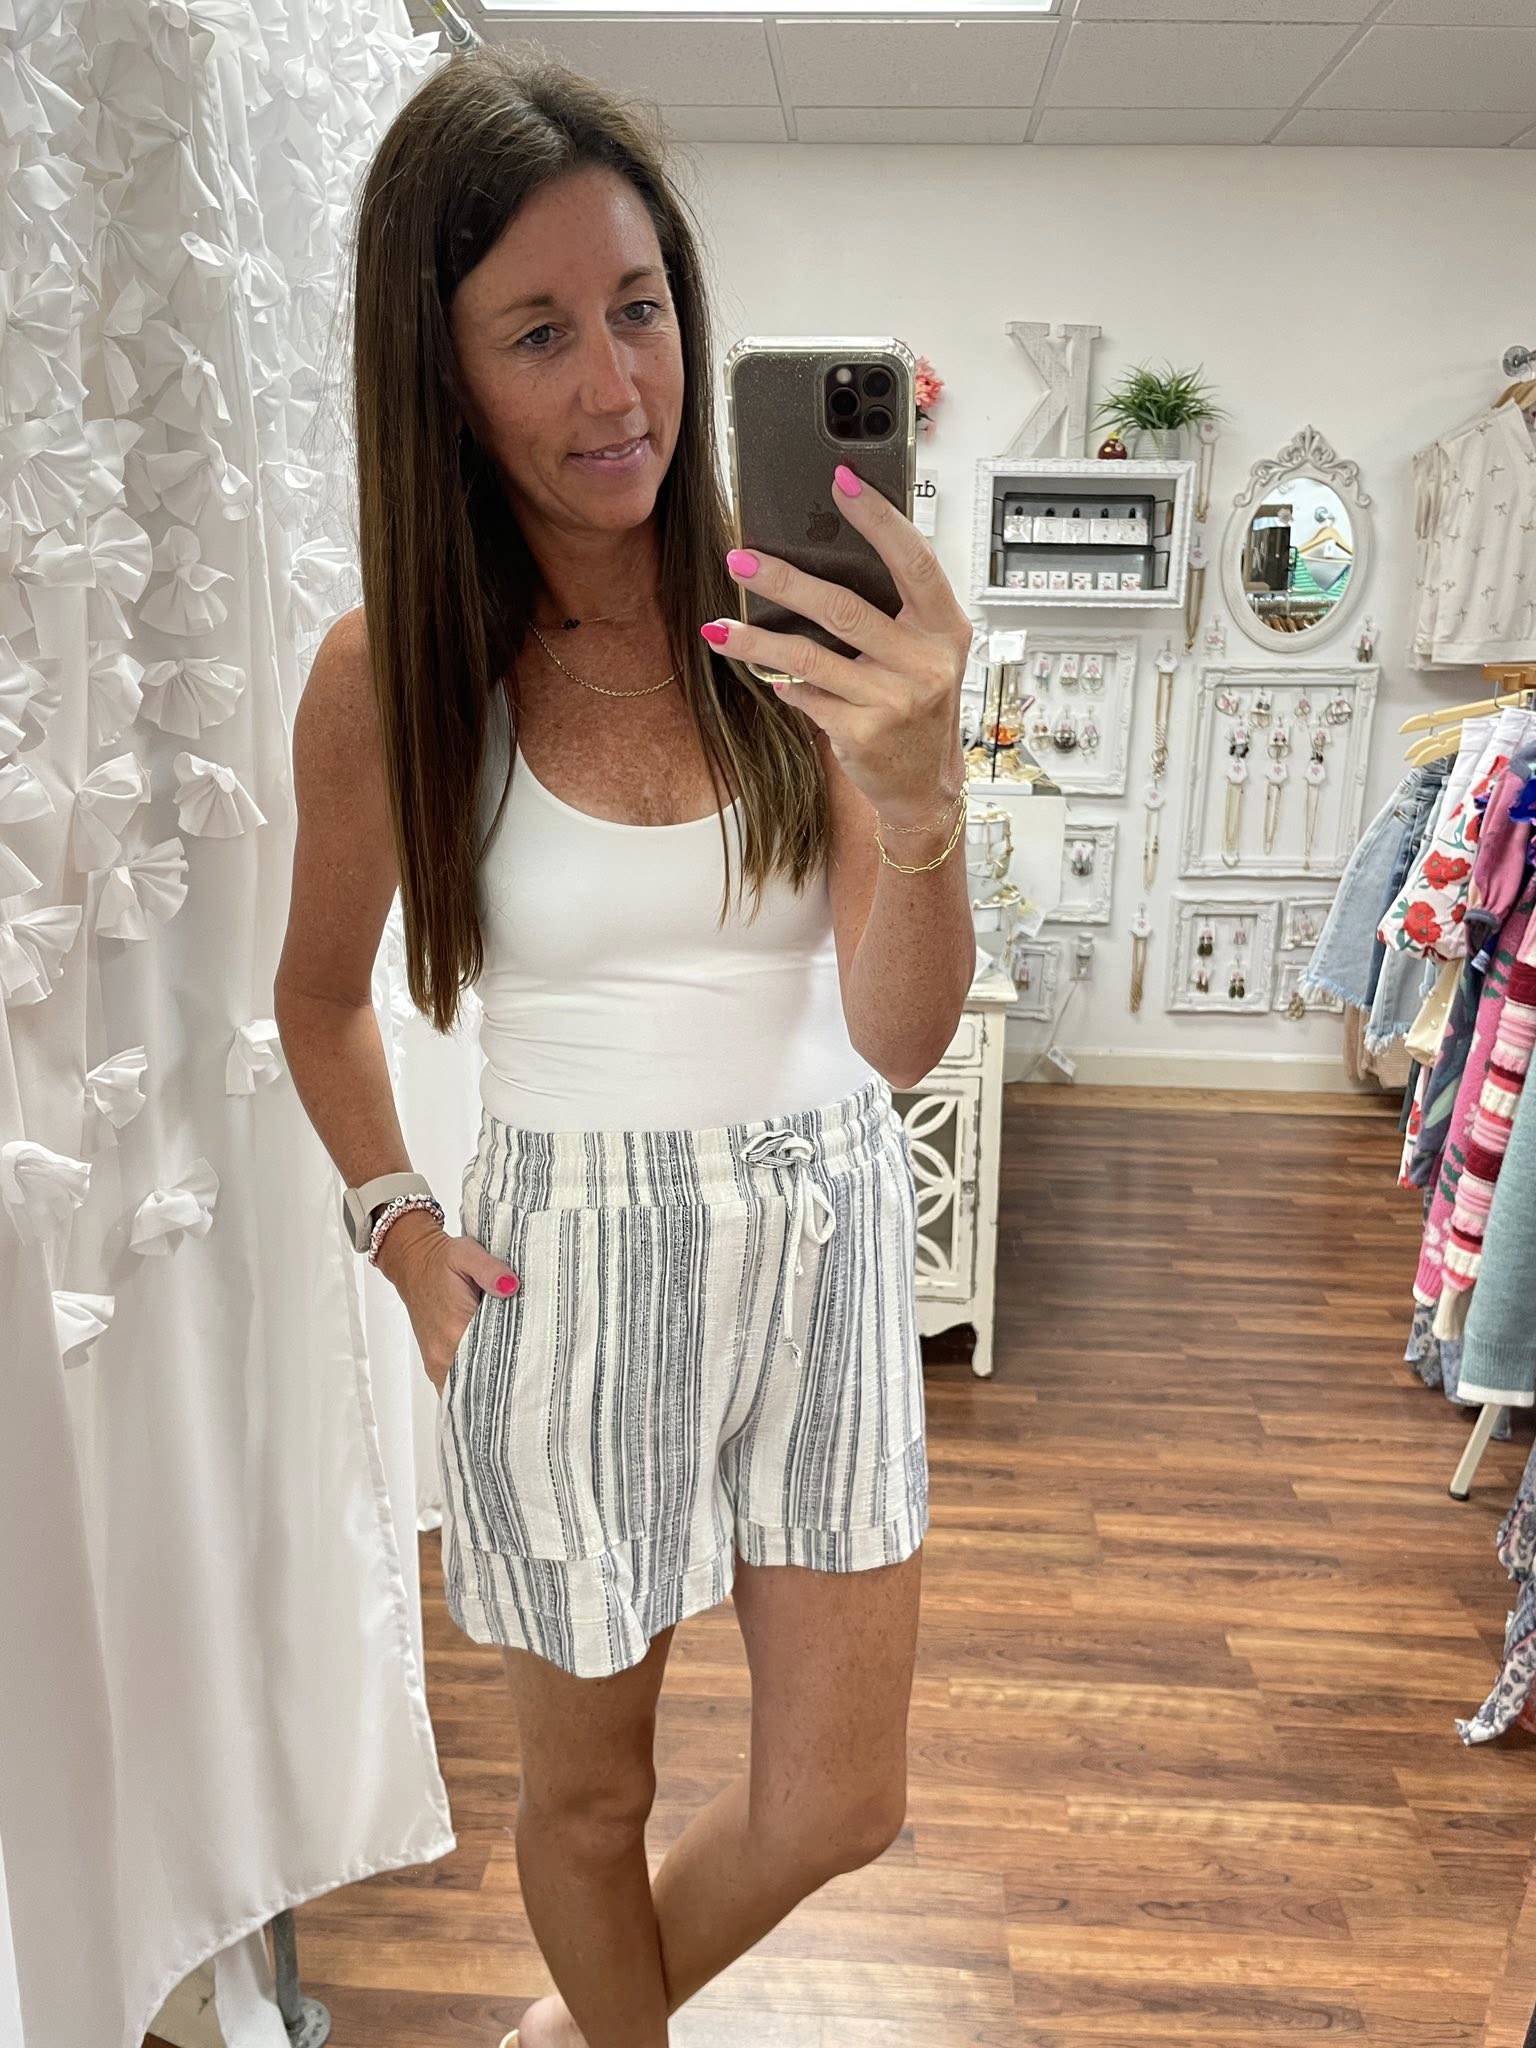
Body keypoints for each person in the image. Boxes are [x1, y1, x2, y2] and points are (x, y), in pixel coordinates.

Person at [274, 47, 975, 2048]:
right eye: (541, 332)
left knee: (843, 1797)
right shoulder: (393, 675)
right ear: (444, 373)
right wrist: (407, 1237)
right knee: (587, 1802)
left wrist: (919, 792)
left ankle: (579, 2030)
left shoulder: (790, 615)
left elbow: (905, 1030)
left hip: (832, 1223)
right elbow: (315, 996)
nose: (619, 386)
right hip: (568, 1255)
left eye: (644, 306)